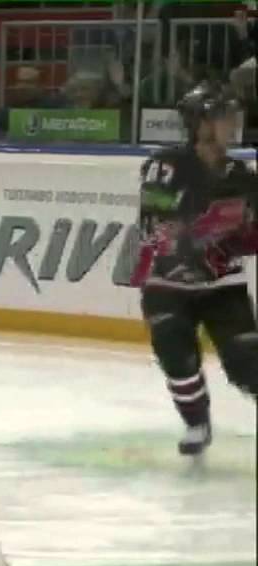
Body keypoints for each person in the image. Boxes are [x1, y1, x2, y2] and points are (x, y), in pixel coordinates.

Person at [133, 82, 258, 456]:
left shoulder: (243, 174)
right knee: (176, 354)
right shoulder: (165, 166)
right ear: (201, 124)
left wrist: (240, 238)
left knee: (247, 362)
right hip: (167, 286)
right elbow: (153, 224)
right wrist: (199, 235)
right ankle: (196, 421)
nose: (233, 124)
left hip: (224, 286)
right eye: (224, 116)